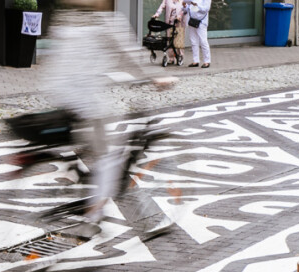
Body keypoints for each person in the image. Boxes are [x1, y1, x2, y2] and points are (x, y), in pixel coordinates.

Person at [35, 0, 176, 238]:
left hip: (59, 100)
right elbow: (132, 55)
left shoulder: (65, 19)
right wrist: (156, 77)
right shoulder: (104, 23)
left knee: (89, 154)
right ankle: (92, 218)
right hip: (85, 105)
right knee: (108, 161)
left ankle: (84, 189)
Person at [152, 0, 185, 65]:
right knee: (169, 41)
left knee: (179, 41)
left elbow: (185, 9)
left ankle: (180, 56)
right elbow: (161, 7)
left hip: (179, 23)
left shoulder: (182, 1)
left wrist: (180, 15)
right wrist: (157, 14)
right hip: (169, 23)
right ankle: (171, 58)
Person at [183, 0, 211, 68]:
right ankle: (196, 61)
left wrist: (196, 5)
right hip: (192, 21)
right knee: (193, 41)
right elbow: (190, 9)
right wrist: (185, 6)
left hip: (201, 22)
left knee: (203, 41)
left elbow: (206, 9)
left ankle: (207, 61)